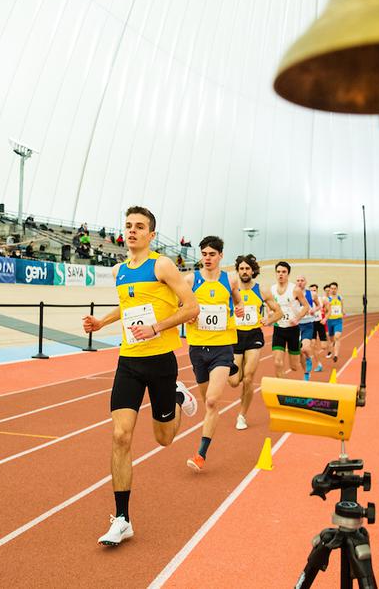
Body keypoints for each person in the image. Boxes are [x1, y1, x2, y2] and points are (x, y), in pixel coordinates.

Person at [81, 206, 199, 546]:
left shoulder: (161, 265)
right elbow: (127, 307)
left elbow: (191, 308)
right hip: (128, 362)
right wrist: (102, 322)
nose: (132, 231)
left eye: (140, 227)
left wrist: (157, 327)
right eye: (128, 226)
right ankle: (122, 519)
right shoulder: (119, 270)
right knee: (120, 436)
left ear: (151, 234)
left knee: (164, 439)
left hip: (161, 362)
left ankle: (178, 396)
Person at [182, 236, 245, 472]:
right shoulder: (190, 280)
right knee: (204, 397)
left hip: (222, 347)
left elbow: (237, 301)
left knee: (211, 401)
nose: (207, 258)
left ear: (220, 256)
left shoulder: (230, 279)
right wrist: (187, 313)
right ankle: (229, 371)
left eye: (212, 254)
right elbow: (180, 306)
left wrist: (237, 307)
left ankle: (201, 454)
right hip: (197, 349)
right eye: (204, 254)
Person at [228, 254, 282, 430]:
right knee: (234, 381)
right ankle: (243, 382)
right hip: (235, 336)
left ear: (253, 270)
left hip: (253, 336)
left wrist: (269, 320)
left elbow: (278, 312)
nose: (244, 271)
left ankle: (242, 415)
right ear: (238, 271)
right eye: (241, 268)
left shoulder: (262, 290)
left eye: (247, 268)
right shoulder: (230, 290)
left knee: (249, 378)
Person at [269, 261, 309, 377]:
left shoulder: (295, 289)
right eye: (278, 272)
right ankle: (280, 391)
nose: (281, 274)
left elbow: (306, 306)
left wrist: (297, 318)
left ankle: (301, 352)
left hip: (293, 329)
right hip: (279, 329)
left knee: (294, 367)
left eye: (284, 272)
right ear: (276, 273)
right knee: (277, 362)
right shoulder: (272, 290)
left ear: (288, 274)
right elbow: (269, 306)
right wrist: (270, 315)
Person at [295, 275, 324, 380]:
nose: (300, 282)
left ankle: (308, 358)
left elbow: (319, 305)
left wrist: (314, 310)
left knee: (305, 348)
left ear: (305, 282)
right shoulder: (292, 293)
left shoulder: (312, 294)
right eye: (298, 280)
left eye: (302, 280)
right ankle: (306, 373)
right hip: (296, 325)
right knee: (299, 353)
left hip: (308, 324)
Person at [326, 282, 345, 363]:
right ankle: (333, 344)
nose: (333, 290)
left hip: (338, 320)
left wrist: (343, 311)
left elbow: (342, 307)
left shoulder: (340, 298)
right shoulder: (327, 299)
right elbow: (326, 310)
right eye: (332, 288)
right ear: (329, 289)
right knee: (332, 339)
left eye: (335, 288)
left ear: (337, 289)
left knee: (337, 337)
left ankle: (336, 355)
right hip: (330, 321)